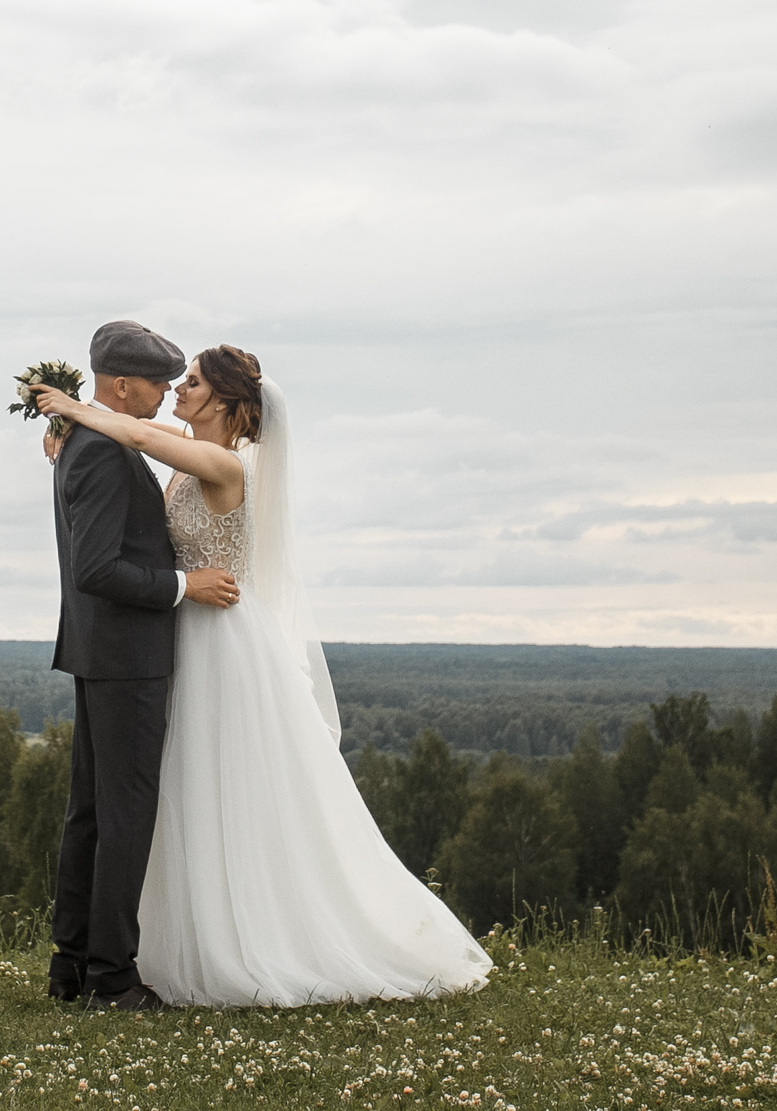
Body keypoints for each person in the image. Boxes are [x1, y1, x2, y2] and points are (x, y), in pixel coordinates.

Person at [34, 344, 491, 1007]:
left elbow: (133, 430)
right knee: (173, 792)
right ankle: (134, 951)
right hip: (182, 629)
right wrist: (71, 430)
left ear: (224, 401)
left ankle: (240, 933)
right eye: (175, 379)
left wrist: (71, 406)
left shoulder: (223, 463)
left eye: (190, 382)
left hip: (220, 637)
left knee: (222, 789)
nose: (177, 389)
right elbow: (137, 432)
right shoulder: (190, 446)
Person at [45, 320, 241, 1012]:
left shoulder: (84, 442)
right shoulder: (99, 448)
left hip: (103, 652)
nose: (165, 393)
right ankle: (111, 978)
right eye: (158, 382)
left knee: (93, 816)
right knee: (123, 818)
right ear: (122, 384)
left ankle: (71, 967)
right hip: (127, 655)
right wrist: (186, 588)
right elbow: (100, 567)